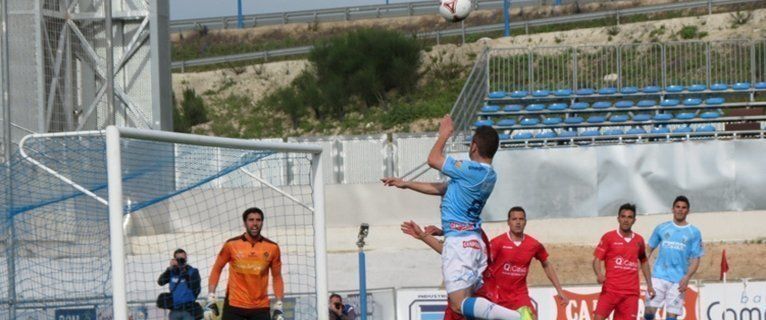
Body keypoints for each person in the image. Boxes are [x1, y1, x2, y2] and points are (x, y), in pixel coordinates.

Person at [383, 115, 527, 319]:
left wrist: (444, 135)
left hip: (460, 244)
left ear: (474, 146)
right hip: (472, 241)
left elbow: (433, 159)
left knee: (458, 305)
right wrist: (406, 184)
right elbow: (443, 188)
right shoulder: (489, 175)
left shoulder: (472, 170)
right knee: (465, 307)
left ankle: (518, 316)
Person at [401, 206, 569, 320]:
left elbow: (546, 263)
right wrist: (427, 235)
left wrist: (559, 290)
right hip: (473, 302)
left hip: (502, 298)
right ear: (508, 221)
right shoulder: (495, 243)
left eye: (521, 219)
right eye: (514, 219)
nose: (518, 222)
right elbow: (449, 251)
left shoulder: (532, 244)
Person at [205, 207, 284, 320]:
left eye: (258, 220)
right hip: (234, 305)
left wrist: (279, 304)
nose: (255, 223)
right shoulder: (231, 244)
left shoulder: (272, 247)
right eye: (251, 220)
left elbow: (277, 277)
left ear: (262, 222)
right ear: (245, 223)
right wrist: (211, 297)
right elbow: (217, 268)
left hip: (260, 307)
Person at [643, 196, 704, 320]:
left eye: (683, 208)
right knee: (649, 312)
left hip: (678, 280)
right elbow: (648, 249)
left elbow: (696, 258)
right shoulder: (662, 228)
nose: (680, 210)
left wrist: (687, 277)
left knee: (672, 316)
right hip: (658, 277)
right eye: (678, 207)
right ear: (672, 209)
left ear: (688, 211)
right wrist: (643, 267)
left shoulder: (694, 232)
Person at [592, 203, 655, 320]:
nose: (626, 220)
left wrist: (650, 285)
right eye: (623, 216)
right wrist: (599, 274)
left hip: (630, 294)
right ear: (618, 218)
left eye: (630, 217)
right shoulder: (608, 237)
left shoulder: (639, 240)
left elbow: (644, 261)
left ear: (634, 220)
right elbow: (597, 259)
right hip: (610, 291)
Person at [158, 249, 202, 320]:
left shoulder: (192, 271)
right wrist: (169, 269)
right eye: (178, 259)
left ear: (186, 258)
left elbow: (196, 289)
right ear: (174, 259)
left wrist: (184, 271)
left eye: (182, 259)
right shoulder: (171, 272)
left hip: (189, 310)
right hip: (174, 310)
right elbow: (160, 282)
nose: (181, 261)